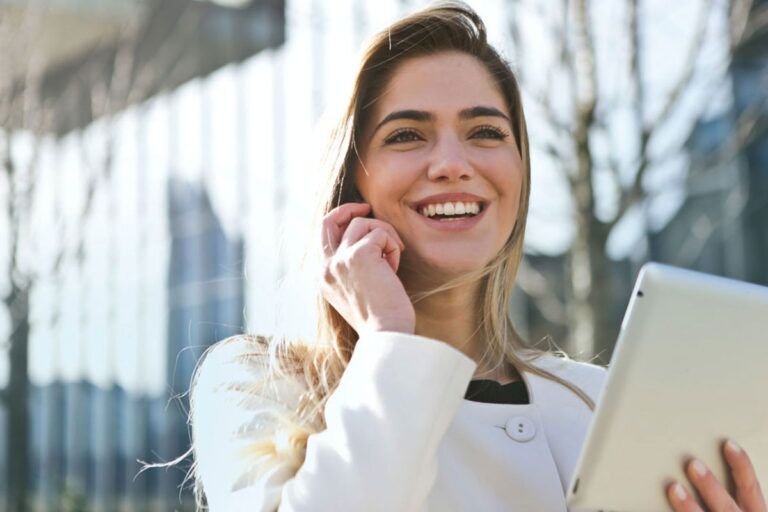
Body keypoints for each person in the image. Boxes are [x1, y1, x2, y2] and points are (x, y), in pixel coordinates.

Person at [189, 2, 767, 511]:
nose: (452, 163)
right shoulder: (252, 385)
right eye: (407, 135)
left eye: (486, 132)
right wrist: (391, 339)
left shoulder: (598, 402)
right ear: (350, 184)